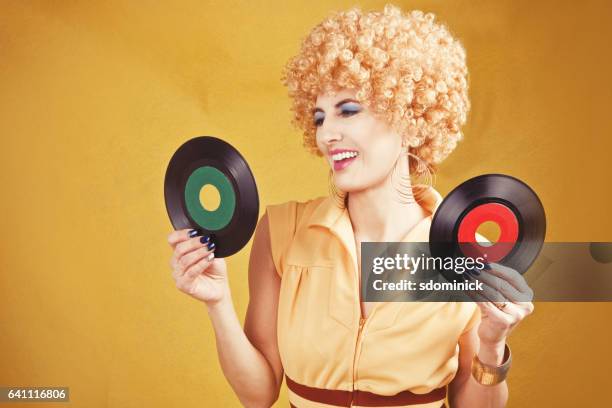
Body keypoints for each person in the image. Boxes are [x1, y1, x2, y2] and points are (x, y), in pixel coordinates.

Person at [167, 5, 533, 407]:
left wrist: (492, 344)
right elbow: (258, 394)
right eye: (320, 117)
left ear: (410, 118)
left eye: (349, 111)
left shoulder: (467, 249)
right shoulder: (282, 230)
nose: (327, 134)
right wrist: (217, 304)